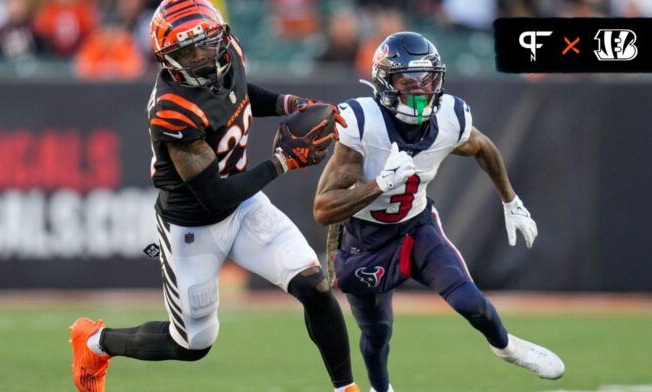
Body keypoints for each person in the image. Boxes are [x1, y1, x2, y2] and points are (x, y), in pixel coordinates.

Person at [69, 1, 359, 391]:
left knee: (314, 285)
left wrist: (291, 104)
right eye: (188, 51)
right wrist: (283, 162)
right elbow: (215, 197)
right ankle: (94, 343)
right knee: (192, 344)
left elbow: (238, 93)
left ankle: (346, 389)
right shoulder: (173, 108)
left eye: (207, 44)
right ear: (167, 58)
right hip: (193, 227)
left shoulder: (228, 52)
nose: (203, 56)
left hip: (244, 205)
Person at [314, 32, 565, 392]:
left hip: (416, 228)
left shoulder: (449, 116)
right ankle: (381, 389)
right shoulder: (362, 123)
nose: (420, 89)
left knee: (470, 301)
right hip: (363, 239)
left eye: (427, 79)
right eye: (407, 80)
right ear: (385, 83)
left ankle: (506, 347)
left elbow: (482, 147)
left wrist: (511, 200)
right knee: (377, 331)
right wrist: (378, 186)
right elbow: (323, 209)